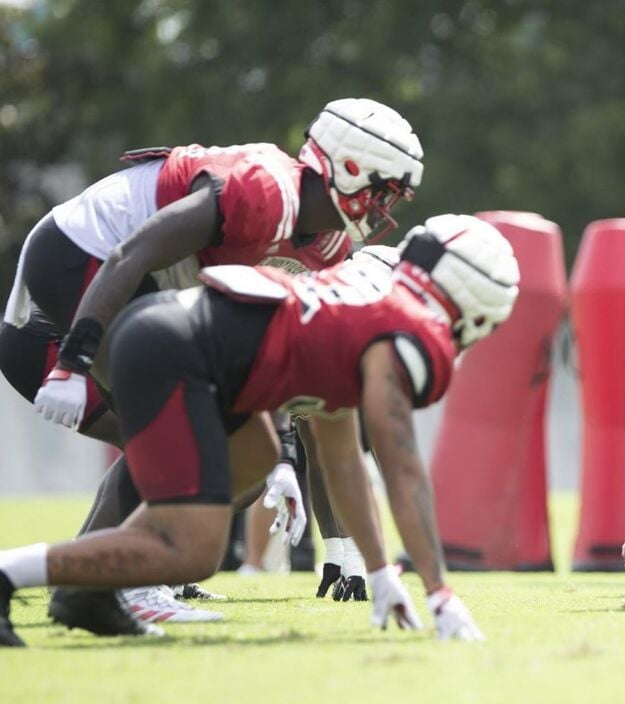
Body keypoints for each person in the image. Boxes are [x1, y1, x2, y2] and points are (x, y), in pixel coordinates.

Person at [0, 214, 517, 646]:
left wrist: (380, 572)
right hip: (179, 353)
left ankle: (88, 592)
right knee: (196, 548)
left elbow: (343, 458)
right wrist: (439, 591)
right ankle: (13, 573)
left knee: (254, 459)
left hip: (172, 334)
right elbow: (402, 470)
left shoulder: (360, 308)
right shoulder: (398, 330)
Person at [0, 98, 421, 621]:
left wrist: (286, 457)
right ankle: (112, 585)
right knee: (172, 437)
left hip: (145, 295)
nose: (385, 209)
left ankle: (88, 587)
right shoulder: (265, 186)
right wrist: (74, 358)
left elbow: (270, 347)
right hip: (82, 256)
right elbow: (133, 252)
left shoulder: (327, 245)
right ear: (350, 166)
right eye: (383, 191)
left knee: (249, 451)